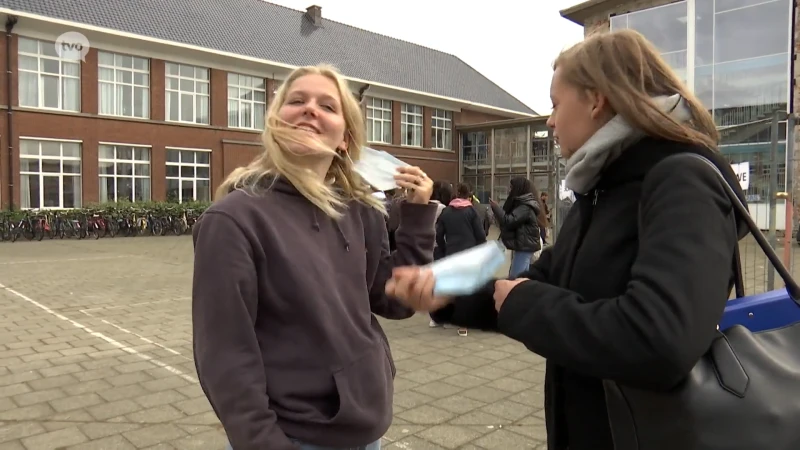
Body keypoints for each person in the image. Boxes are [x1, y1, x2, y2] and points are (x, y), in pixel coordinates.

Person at [384, 29, 747, 450]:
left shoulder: (679, 181)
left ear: (596, 99)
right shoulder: (603, 190)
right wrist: (445, 297)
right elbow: (542, 281)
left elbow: (660, 339)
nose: (549, 120)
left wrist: (525, 304)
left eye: (556, 103)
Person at [192, 63, 437, 450]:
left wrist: (419, 216)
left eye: (328, 105)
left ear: (345, 138)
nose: (310, 110)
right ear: (276, 121)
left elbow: (392, 301)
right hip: (293, 435)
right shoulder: (233, 220)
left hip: (364, 427)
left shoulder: (362, 212)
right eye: (296, 101)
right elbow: (225, 353)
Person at [489, 177, 546, 277]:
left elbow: (508, 221)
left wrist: (496, 208)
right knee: (521, 278)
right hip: (523, 245)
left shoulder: (525, 207)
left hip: (525, 246)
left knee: (515, 279)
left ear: (518, 188)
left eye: (511, 187)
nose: (509, 190)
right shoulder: (523, 205)